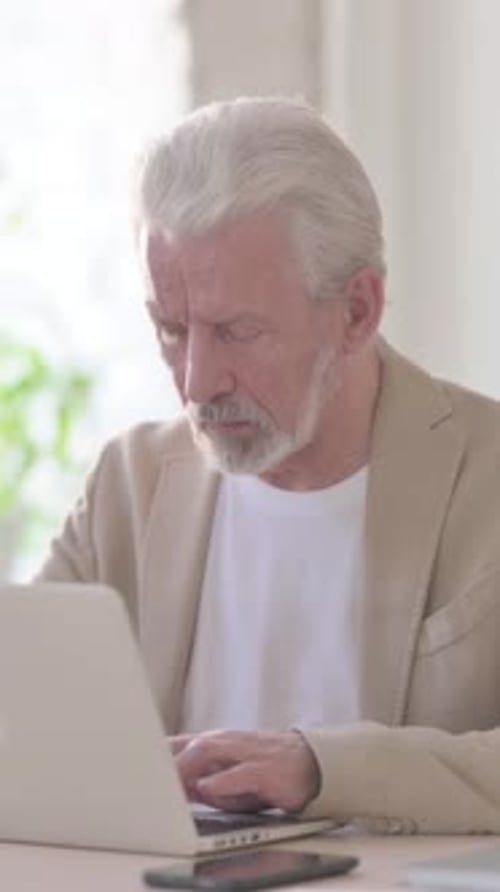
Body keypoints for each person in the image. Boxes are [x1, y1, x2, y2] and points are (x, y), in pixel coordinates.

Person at [36, 96, 500, 834]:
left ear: (357, 312)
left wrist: (321, 768)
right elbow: (21, 722)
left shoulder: (488, 474)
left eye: (236, 331)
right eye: (170, 328)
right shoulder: (129, 483)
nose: (195, 382)